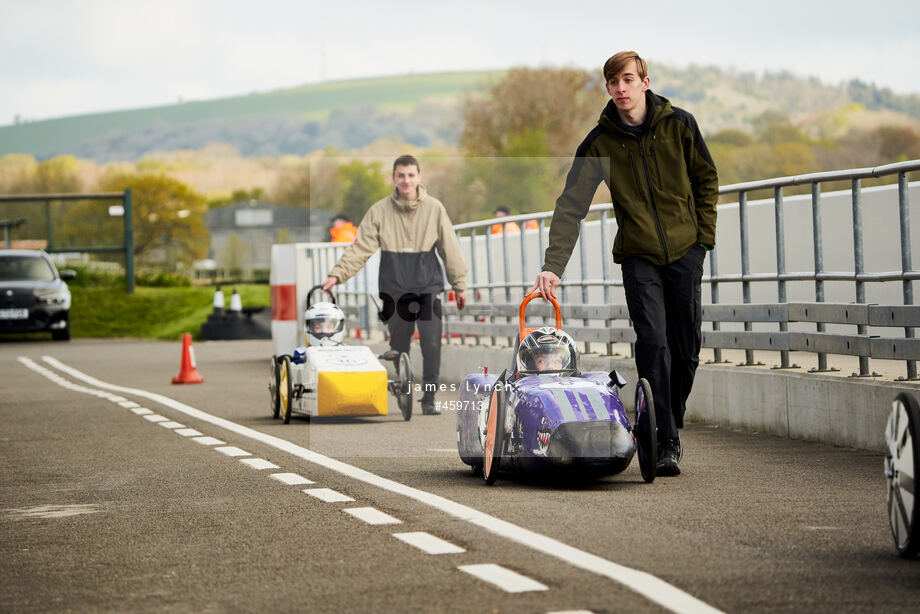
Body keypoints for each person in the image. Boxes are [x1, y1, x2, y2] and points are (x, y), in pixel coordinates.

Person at [529, 51, 718, 476]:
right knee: (654, 341)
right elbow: (570, 206)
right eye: (614, 82)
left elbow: (706, 178)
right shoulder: (599, 143)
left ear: (645, 82)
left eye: (628, 80)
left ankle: (666, 414)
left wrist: (702, 239)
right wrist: (552, 266)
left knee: (686, 348)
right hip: (637, 256)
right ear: (609, 88)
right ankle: (666, 437)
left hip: (686, 251)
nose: (621, 88)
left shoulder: (679, 125)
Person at [322, 155, 468, 415]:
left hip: (427, 287)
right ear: (394, 178)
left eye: (411, 175)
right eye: (401, 175)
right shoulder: (379, 211)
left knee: (431, 342)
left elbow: (450, 248)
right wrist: (336, 275)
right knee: (399, 345)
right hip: (395, 289)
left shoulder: (435, 209)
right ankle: (404, 388)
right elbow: (360, 249)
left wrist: (459, 285)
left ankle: (429, 398)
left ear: (419, 177)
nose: (406, 180)